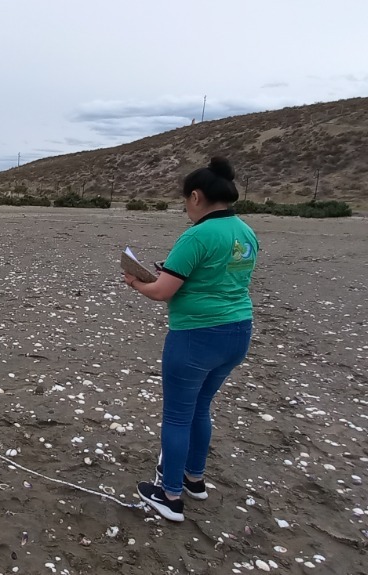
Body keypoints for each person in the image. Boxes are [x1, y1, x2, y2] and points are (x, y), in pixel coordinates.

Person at [123, 157, 258, 522]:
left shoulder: (197, 234)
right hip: (238, 331)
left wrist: (136, 281)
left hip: (197, 336)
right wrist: (171, 272)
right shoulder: (246, 232)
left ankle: (169, 496)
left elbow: (162, 292)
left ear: (196, 196)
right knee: (201, 408)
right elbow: (219, 276)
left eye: (186, 200)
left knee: (178, 416)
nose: (186, 207)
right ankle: (194, 479)